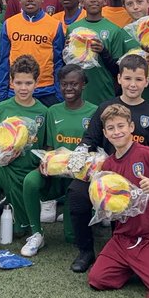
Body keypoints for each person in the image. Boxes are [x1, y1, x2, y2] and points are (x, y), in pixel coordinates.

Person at [68, 52, 149, 272]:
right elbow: (90, 139)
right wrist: (80, 156)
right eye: (128, 78)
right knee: (76, 193)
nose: (132, 84)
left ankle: (121, 247)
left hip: (135, 180)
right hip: (103, 175)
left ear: (147, 81)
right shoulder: (105, 108)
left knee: (129, 206)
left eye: (138, 79)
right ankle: (85, 250)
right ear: (119, 78)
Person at [86, 103, 149, 298]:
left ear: (131, 127)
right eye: (111, 128)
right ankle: (138, 266)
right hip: (123, 236)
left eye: (121, 126)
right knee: (97, 280)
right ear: (105, 133)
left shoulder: (146, 153)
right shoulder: (108, 165)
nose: (117, 132)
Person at [19, 65, 96, 257]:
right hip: (55, 173)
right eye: (64, 84)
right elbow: (47, 147)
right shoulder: (51, 111)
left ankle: (87, 213)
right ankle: (36, 233)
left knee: (72, 237)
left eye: (74, 84)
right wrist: (45, 162)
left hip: (79, 178)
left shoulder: (94, 111)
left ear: (84, 85)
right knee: (30, 180)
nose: (69, 88)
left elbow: (95, 152)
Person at [0, 56, 48, 249]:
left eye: (28, 83)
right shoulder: (2, 108)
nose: (23, 88)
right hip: (1, 165)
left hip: (26, 170)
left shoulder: (44, 112)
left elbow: (47, 148)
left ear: (36, 83)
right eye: (18, 83)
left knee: (19, 232)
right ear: (11, 82)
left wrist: (43, 164)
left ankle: (12, 208)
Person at [65, 0, 135, 106]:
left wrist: (103, 51)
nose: (93, 0)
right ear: (81, 1)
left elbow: (117, 70)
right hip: (79, 97)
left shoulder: (114, 30)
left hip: (104, 95)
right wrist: (68, 53)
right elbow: (69, 66)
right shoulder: (73, 29)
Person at [0, 0, 66, 105]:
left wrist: (58, 94)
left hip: (47, 91)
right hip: (16, 90)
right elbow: (4, 61)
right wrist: (3, 94)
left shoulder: (55, 25)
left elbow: (58, 62)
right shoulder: (9, 24)